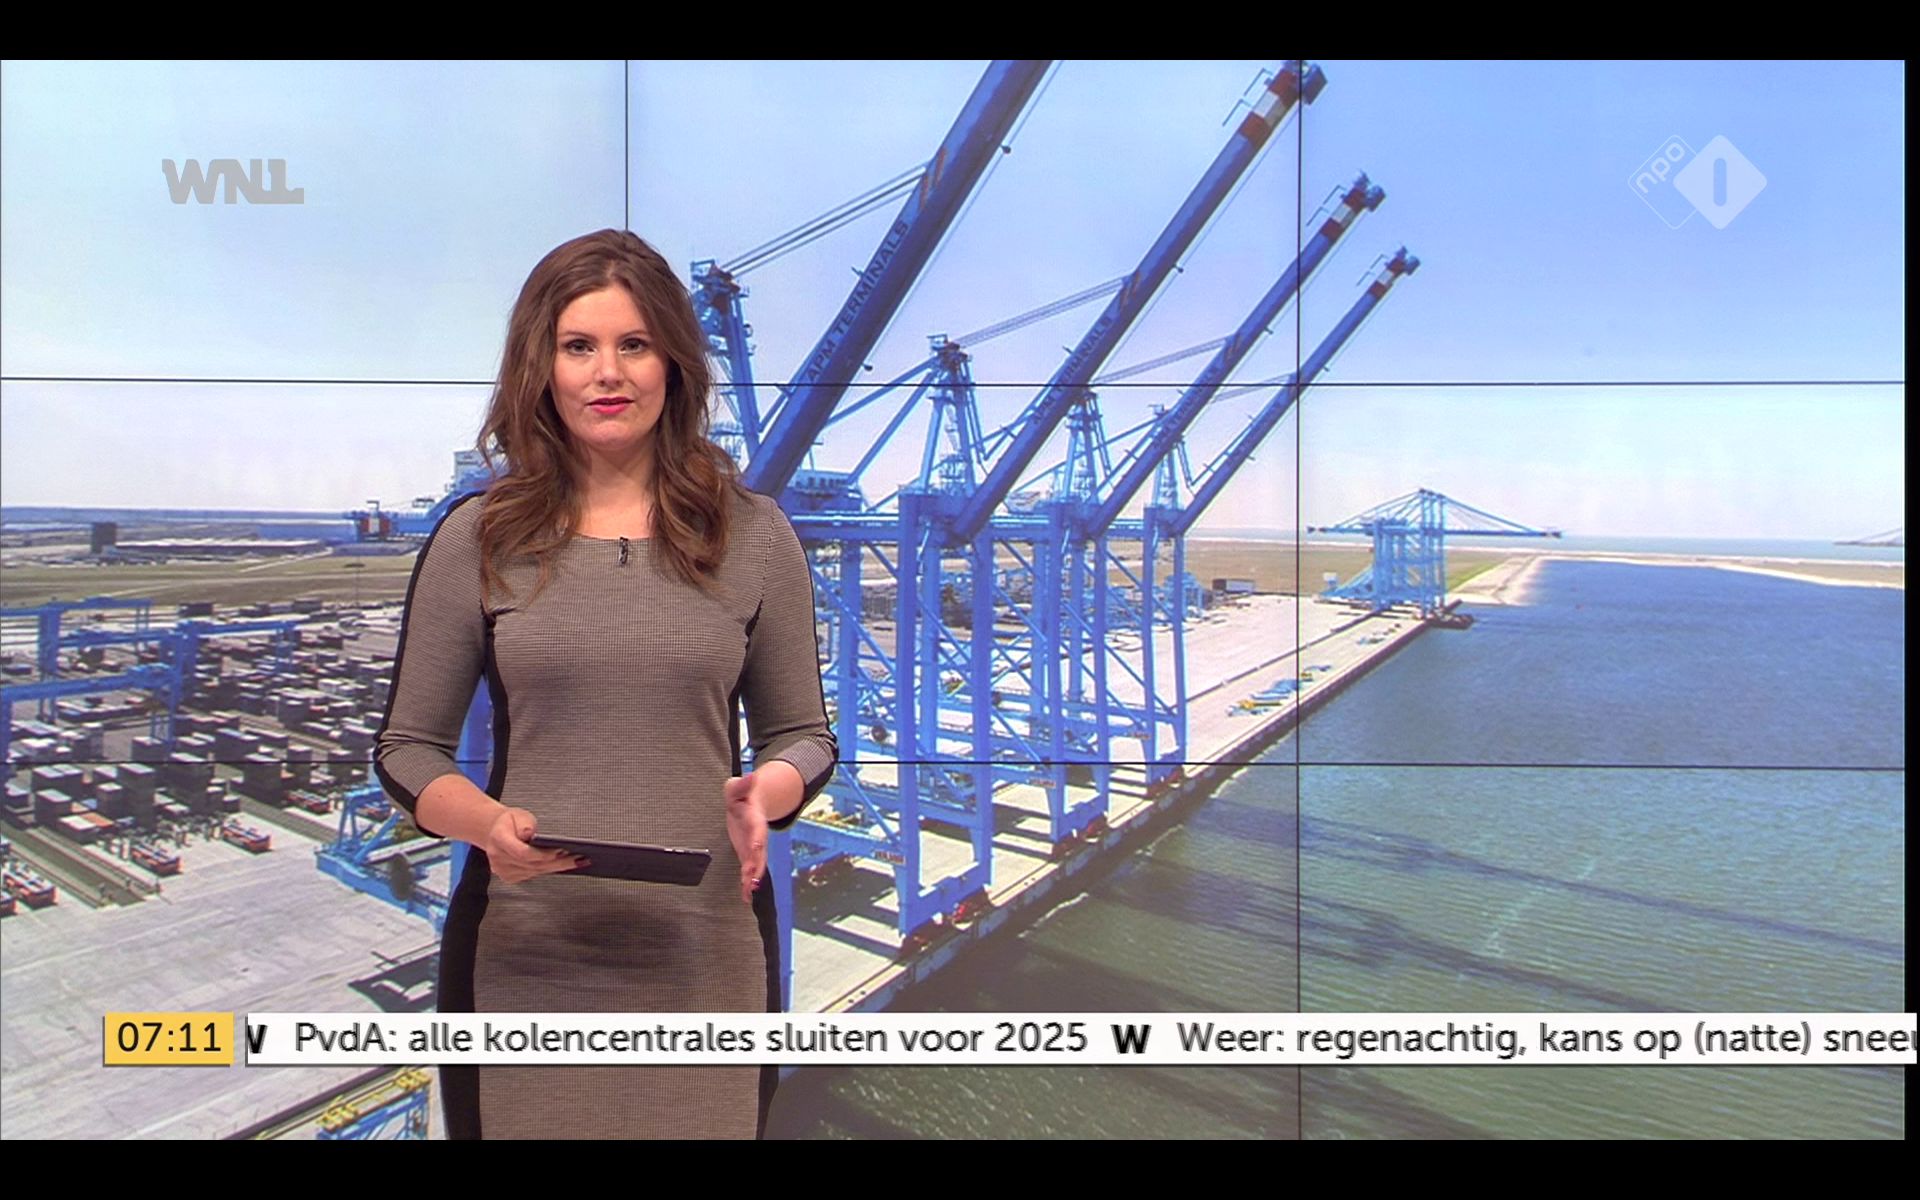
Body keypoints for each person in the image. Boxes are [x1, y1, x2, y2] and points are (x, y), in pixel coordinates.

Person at [371, 228, 837, 1140]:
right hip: (523, 956)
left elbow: (805, 736)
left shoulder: (758, 537)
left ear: (674, 363)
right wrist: (483, 824)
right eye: (579, 346)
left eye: (635, 344)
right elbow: (407, 749)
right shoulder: (476, 537)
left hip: (706, 956)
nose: (607, 373)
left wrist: (769, 793)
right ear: (540, 367)